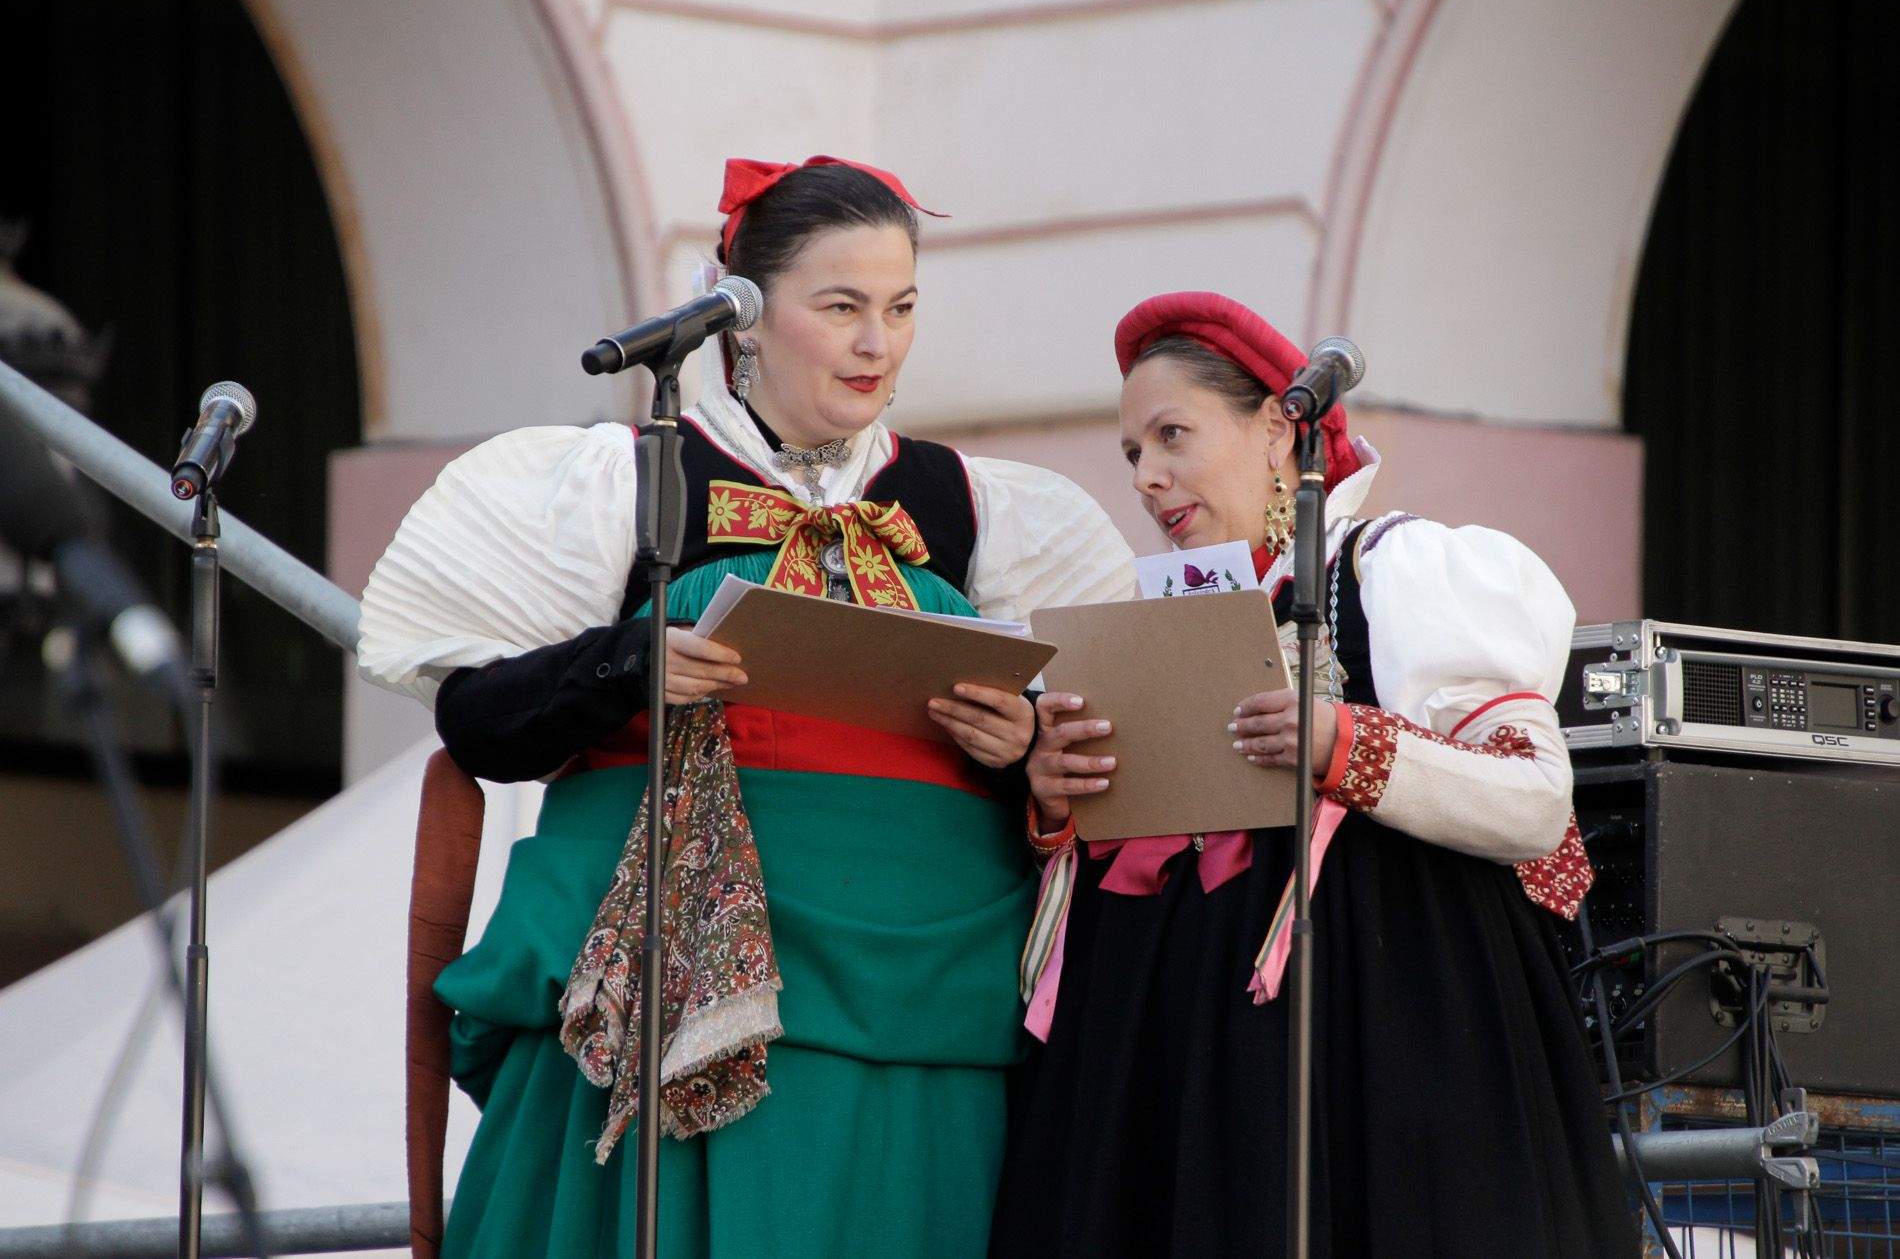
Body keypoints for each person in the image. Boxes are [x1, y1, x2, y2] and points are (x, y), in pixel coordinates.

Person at [357, 156, 1135, 1259]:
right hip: (673, 979)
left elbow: (1085, 762)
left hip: (925, 989)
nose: (878, 343)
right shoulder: (627, 481)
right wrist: (628, 660)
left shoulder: (975, 506)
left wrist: (1016, 747)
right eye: (843, 308)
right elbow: (479, 725)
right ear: (747, 315)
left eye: (901, 308)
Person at [989, 292, 1636, 1258]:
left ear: (1276, 427)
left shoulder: (1390, 569)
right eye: (1132, 453)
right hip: (1191, 1042)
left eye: (1172, 435)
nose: (1148, 477)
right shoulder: (1154, 619)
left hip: (1382, 1020)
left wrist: (1346, 744)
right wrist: (1059, 793)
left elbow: (1535, 798)